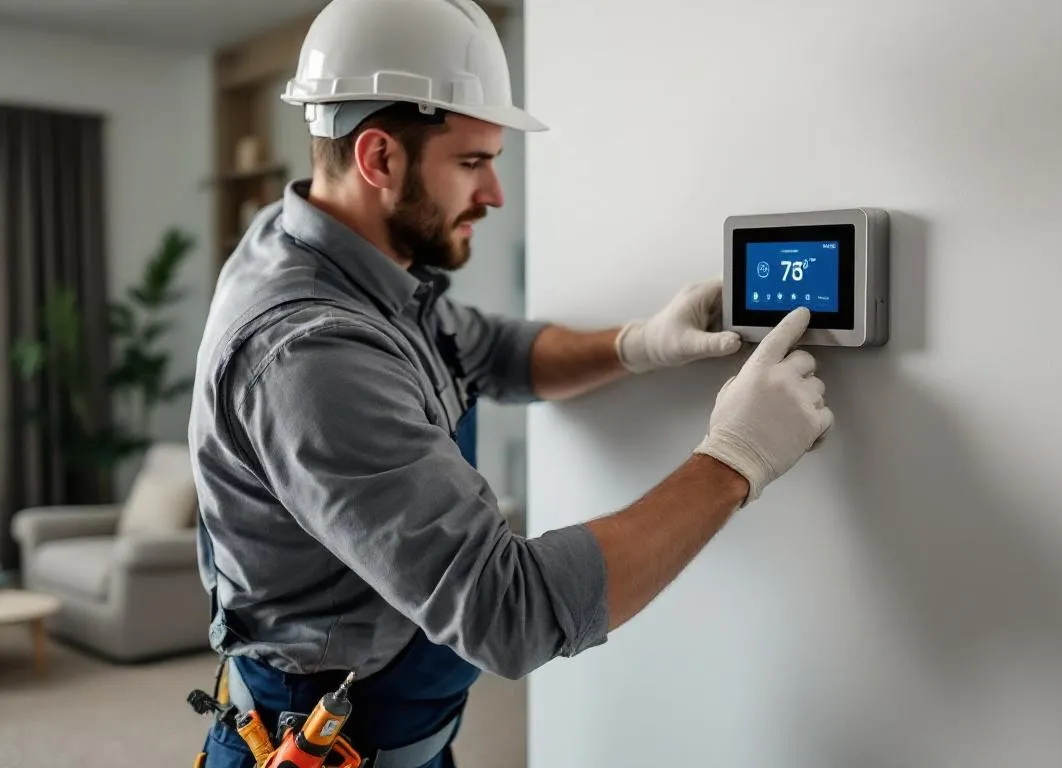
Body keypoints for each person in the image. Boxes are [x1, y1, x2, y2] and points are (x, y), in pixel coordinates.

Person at [187, 0, 833, 766]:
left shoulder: (323, 247)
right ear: (380, 157)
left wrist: (638, 345)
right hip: (319, 748)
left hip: (392, 733)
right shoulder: (312, 354)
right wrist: (735, 460)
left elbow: (489, 349)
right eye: (471, 162)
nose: (494, 194)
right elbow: (508, 610)